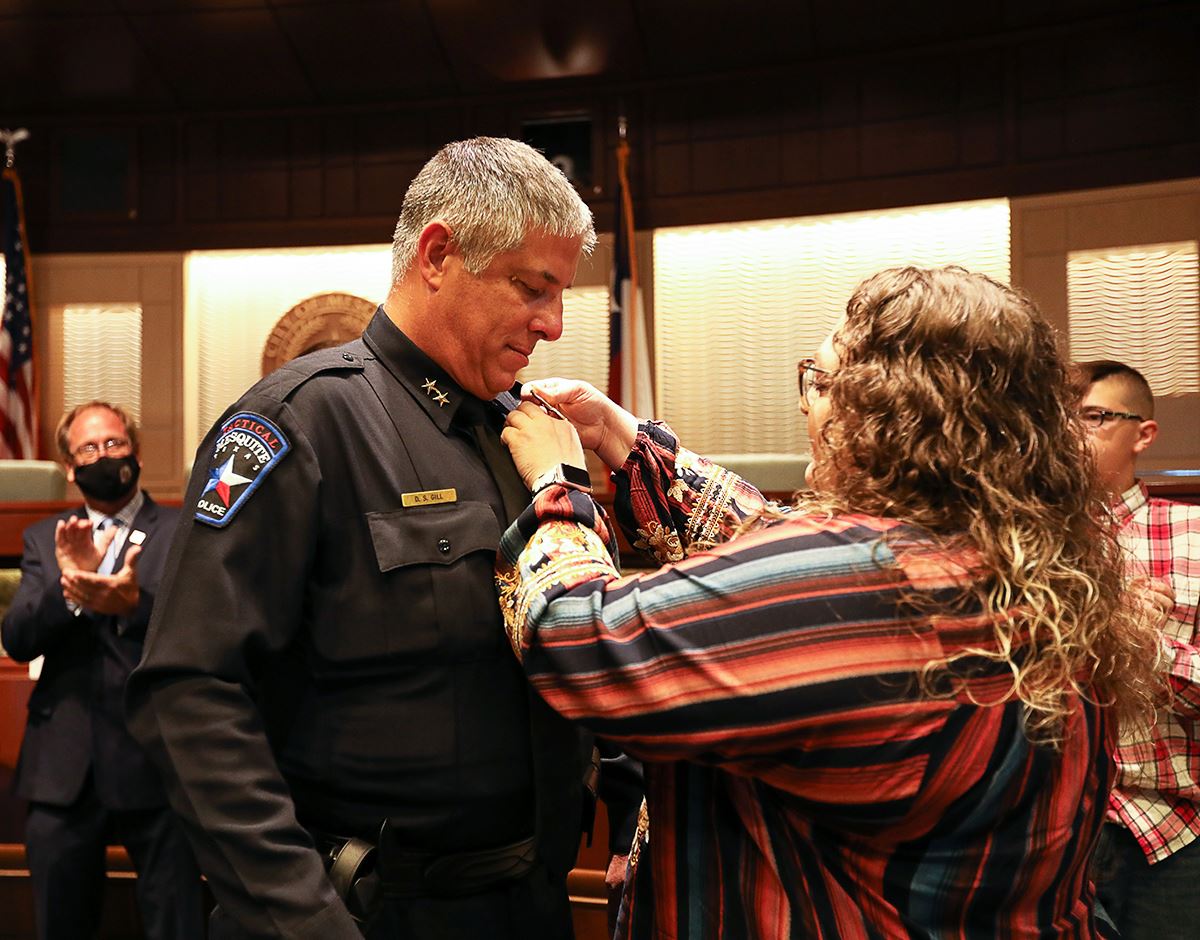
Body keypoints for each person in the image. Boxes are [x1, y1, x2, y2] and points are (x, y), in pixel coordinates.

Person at [495, 266, 1165, 938]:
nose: (805, 402)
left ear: (882, 411)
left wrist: (558, 480)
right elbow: (777, 551)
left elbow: (579, 636)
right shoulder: (1021, 555)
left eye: (818, 379)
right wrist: (627, 439)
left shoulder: (871, 585)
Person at [126, 136, 639, 939]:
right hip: (371, 912)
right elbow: (189, 694)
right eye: (532, 288)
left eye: (560, 294)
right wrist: (304, 922)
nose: (554, 324)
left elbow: (576, 630)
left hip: (530, 904)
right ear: (438, 254)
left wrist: (627, 792)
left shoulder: (528, 434)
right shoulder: (297, 424)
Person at [1, 401, 203, 940]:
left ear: (135, 450)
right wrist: (70, 590)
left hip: (157, 759)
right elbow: (18, 639)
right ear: (69, 467)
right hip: (63, 769)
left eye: (113, 443)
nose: (103, 455)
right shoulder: (47, 539)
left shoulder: (182, 527)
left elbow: (206, 626)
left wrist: (134, 605)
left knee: (176, 922)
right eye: (88, 448)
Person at [1077, 360, 1200, 938]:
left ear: (1143, 434)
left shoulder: (1191, 534)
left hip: (1171, 826)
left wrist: (1138, 642)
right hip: (1052, 824)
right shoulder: (1025, 541)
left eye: (1092, 418)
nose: (1067, 435)